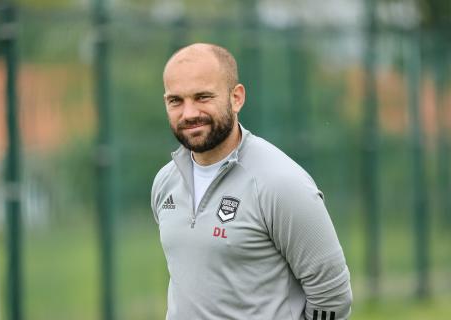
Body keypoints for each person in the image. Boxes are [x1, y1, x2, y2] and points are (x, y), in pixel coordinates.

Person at [151, 43, 352, 320]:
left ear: (236, 98)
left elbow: (332, 294)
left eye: (203, 97)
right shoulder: (165, 182)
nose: (189, 114)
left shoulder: (281, 182)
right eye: (176, 101)